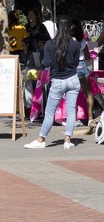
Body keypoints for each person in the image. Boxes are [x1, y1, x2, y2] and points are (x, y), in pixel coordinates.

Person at [25, 17, 81, 150]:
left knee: (50, 111)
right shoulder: (75, 44)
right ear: (70, 28)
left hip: (57, 81)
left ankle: (41, 139)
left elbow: (46, 63)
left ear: (57, 29)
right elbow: (76, 63)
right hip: (73, 79)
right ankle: (67, 140)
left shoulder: (50, 44)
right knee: (71, 111)